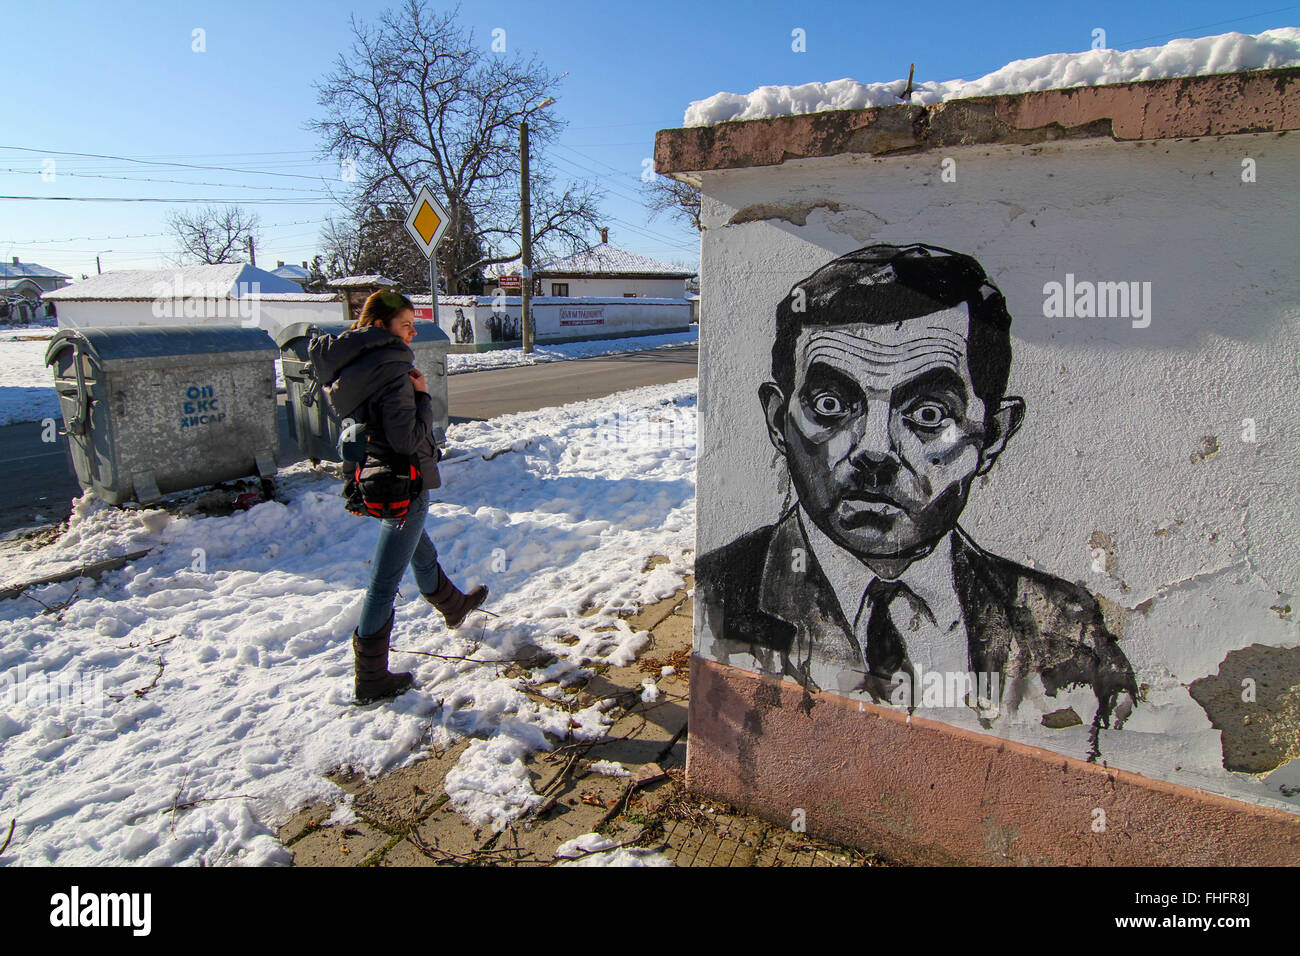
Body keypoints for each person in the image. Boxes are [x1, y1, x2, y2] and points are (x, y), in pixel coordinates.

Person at [696, 243, 1137, 758]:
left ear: (992, 435)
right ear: (779, 421)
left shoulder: (1060, 624)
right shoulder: (716, 598)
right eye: (832, 405)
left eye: (928, 413)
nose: (875, 451)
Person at [309, 290, 488, 704]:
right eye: (405, 325)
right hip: (403, 481)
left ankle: (453, 604)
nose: (411, 334)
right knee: (383, 583)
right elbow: (407, 437)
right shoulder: (392, 369)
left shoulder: (350, 364)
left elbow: (358, 427)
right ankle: (371, 677)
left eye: (413, 325)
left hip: (376, 475)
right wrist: (423, 398)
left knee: (418, 549)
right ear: (378, 326)